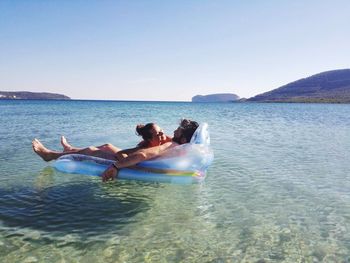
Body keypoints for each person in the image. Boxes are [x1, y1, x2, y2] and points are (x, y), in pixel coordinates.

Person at [32, 119, 199, 182]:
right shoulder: (181, 146)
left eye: (178, 130)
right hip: (134, 160)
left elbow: (143, 155)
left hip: (133, 163)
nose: (174, 131)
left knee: (94, 150)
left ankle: (50, 155)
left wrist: (116, 166)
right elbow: (143, 151)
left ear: (183, 138)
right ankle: (67, 150)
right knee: (100, 148)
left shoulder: (170, 144)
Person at [32, 123, 171, 162]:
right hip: (126, 158)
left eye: (162, 131)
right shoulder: (144, 146)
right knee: (107, 146)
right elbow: (124, 156)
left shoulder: (166, 140)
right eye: (158, 134)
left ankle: (50, 155)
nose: (162, 135)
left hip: (128, 160)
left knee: (91, 151)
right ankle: (69, 149)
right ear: (148, 139)